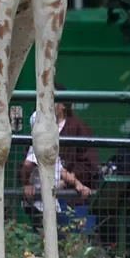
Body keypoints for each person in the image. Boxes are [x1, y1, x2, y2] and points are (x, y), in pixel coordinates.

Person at [19, 94, 101, 222]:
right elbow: (27, 165)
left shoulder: (78, 127)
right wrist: (26, 184)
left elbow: (67, 167)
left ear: (63, 105)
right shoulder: (39, 140)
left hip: (68, 197)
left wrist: (76, 183)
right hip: (40, 200)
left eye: (52, 101)